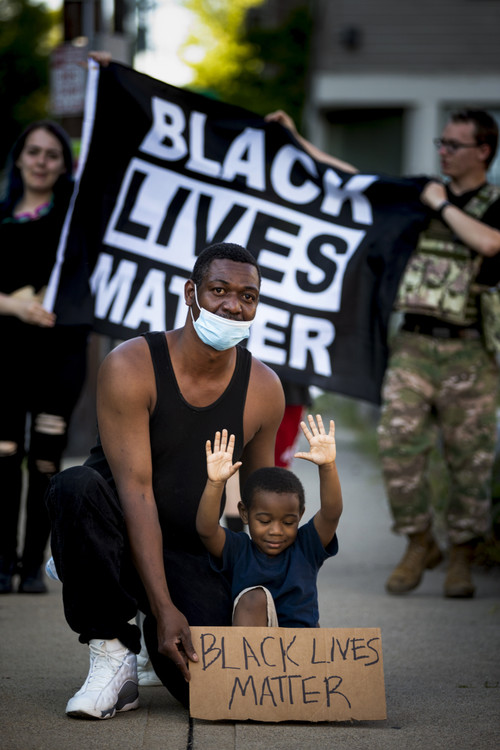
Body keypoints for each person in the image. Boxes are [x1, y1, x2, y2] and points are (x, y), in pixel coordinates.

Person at [267, 109, 500, 599]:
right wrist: (295, 140)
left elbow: (490, 242)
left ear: (484, 150)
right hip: (413, 343)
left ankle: (460, 555)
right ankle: (418, 542)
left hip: (471, 349)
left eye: (454, 145)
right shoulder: (419, 191)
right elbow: (353, 180)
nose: (443, 151)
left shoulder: (489, 202)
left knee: (470, 460)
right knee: (397, 449)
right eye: (442, 142)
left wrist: (439, 206)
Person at [45, 242, 285, 718]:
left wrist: (276, 593)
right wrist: (164, 606)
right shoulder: (131, 365)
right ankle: (112, 650)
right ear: (190, 293)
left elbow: (263, 504)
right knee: (74, 487)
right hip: (114, 521)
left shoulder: (263, 388)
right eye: (219, 290)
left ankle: (148, 635)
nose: (233, 305)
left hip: (187, 541)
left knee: (212, 691)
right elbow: (136, 492)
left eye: (248, 296)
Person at [0, 120, 89, 594]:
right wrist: (14, 305)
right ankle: (2, 562)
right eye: (33, 151)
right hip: (6, 357)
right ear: (19, 157)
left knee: (45, 462)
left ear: (63, 165)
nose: (41, 161)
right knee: (4, 455)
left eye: (52, 154)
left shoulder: (74, 218)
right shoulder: (1, 216)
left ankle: (33, 564)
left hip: (59, 356)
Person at [196, 414, 342, 627]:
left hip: (301, 651)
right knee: (254, 597)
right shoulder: (239, 550)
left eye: (288, 522)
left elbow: (331, 513)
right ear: (244, 513)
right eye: (264, 521)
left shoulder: (306, 547)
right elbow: (207, 529)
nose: (276, 531)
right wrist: (215, 483)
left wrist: (327, 466)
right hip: (253, 651)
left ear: (300, 516)